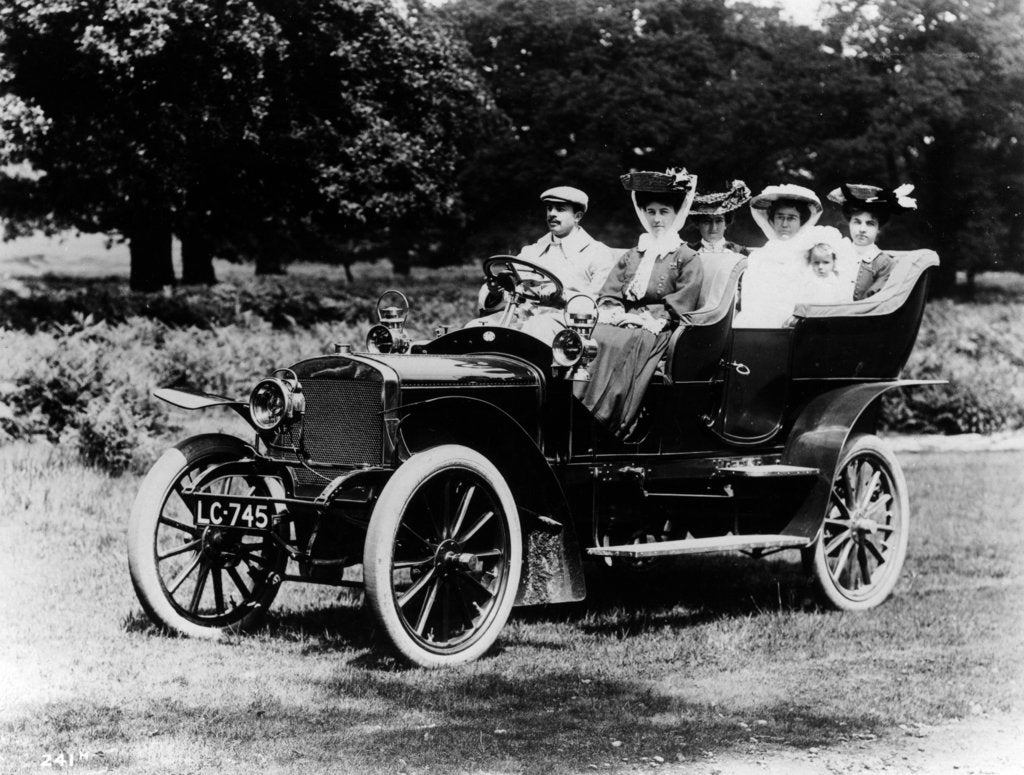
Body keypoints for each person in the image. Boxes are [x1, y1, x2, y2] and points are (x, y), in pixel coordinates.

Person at [574, 168, 704, 438]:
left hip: (659, 328)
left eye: (664, 211)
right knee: (593, 335)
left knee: (624, 341)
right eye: (651, 211)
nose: (657, 219)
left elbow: (681, 306)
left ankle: (606, 418)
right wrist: (616, 311)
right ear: (643, 213)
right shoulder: (633, 254)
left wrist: (642, 319)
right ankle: (576, 408)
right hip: (626, 322)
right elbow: (610, 293)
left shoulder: (686, 256)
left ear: (676, 214)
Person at [471, 185, 614, 338]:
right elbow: (511, 296)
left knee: (536, 328)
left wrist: (562, 299)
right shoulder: (531, 252)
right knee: (473, 329)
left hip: (567, 326)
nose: (552, 214)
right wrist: (496, 292)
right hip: (523, 319)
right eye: (549, 208)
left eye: (560, 209)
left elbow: (600, 305)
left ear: (577, 216)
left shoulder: (597, 253)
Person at [734, 184, 847, 327]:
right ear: (772, 220)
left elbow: (821, 293)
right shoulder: (759, 257)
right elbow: (752, 301)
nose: (784, 224)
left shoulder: (811, 255)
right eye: (780, 217)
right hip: (764, 323)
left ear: (801, 221)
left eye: (791, 218)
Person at [827, 183, 917, 301]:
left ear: (878, 228)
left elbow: (874, 303)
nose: (862, 229)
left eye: (870, 224)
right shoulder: (835, 253)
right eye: (857, 222)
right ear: (849, 223)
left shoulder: (884, 263)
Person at [687, 180, 752, 257]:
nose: (713, 227)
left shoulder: (741, 253)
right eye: (707, 221)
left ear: (726, 224)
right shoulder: (687, 253)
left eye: (719, 221)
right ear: (698, 224)